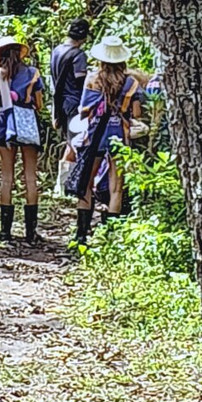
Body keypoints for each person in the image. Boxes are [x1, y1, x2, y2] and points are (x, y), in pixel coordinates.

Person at [68, 36, 142, 246]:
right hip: (120, 137)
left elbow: (83, 112)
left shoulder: (92, 79)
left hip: (94, 139)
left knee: (86, 184)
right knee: (116, 188)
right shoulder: (131, 83)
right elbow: (136, 113)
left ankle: (81, 235)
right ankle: (111, 237)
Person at [0, 36, 45, 243]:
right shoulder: (32, 73)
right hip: (27, 122)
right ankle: (31, 232)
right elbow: (39, 104)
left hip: (4, 124)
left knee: (7, 176)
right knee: (30, 175)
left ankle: (5, 232)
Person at [50, 18, 90, 193]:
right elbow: (80, 82)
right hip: (74, 103)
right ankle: (67, 186)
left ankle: (64, 185)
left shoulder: (56, 51)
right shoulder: (78, 56)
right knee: (76, 143)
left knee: (69, 142)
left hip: (59, 103)